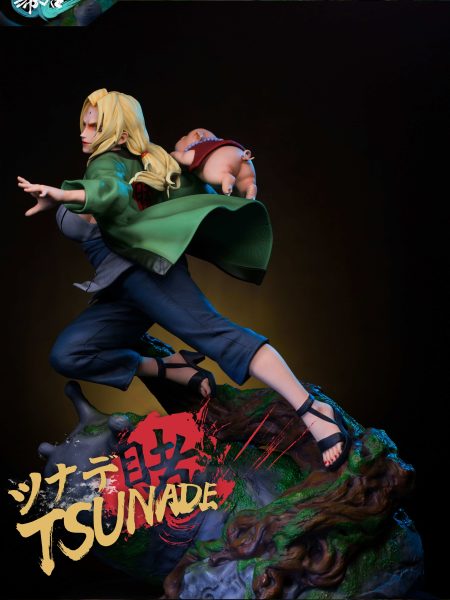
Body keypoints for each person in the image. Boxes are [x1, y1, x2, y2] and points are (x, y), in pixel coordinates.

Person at [17, 88, 351, 471]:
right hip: (118, 289)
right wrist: (64, 199)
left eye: (94, 125)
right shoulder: (141, 165)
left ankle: (313, 410)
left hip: (145, 275)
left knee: (217, 333)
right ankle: (170, 368)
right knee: (70, 353)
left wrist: (63, 195)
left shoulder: (111, 164)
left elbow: (111, 192)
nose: (84, 132)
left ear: (121, 133)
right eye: (85, 124)